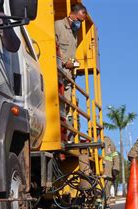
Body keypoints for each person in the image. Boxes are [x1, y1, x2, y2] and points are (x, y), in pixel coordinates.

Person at [55, 4, 87, 142]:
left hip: (68, 77)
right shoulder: (58, 26)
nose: (79, 23)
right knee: (58, 106)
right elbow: (54, 48)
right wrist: (63, 62)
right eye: (79, 20)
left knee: (67, 108)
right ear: (72, 15)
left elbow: (71, 56)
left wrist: (74, 64)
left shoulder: (74, 33)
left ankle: (66, 136)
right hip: (58, 74)